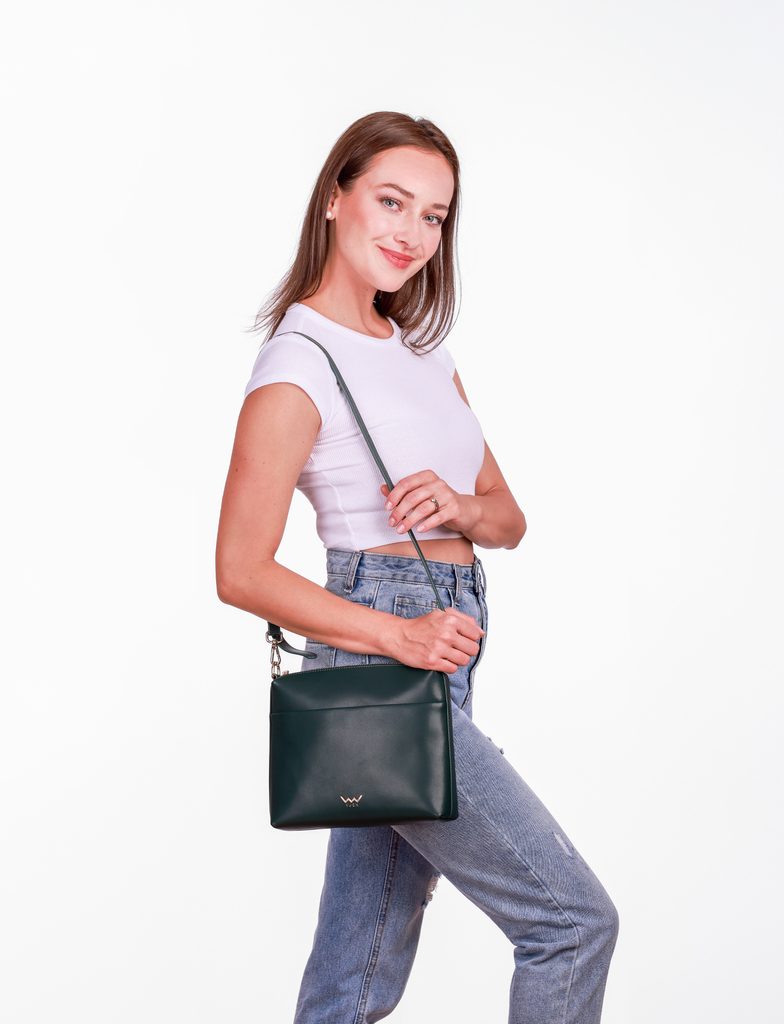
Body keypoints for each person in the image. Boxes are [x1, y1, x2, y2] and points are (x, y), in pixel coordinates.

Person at [215, 111, 619, 1024]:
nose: (412, 233)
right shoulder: (299, 361)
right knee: (571, 922)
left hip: (449, 638)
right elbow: (240, 569)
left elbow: (508, 519)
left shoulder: (424, 352)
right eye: (392, 202)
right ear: (335, 198)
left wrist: (458, 506)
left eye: (434, 216)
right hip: (382, 655)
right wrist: (399, 636)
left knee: (354, 981)